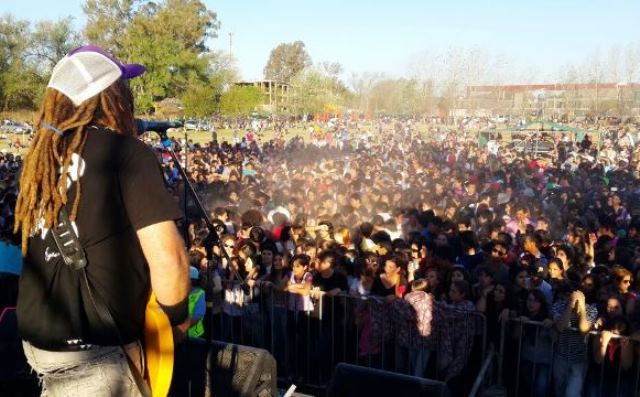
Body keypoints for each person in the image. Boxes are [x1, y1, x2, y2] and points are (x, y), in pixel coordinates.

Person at [13, 45, 189, 396]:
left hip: (41, 345)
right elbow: (170, 262)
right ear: (111, 97)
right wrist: (173, 323)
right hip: (99, 353)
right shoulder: (127, 153)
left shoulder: (40, 160)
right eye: (124, 88)